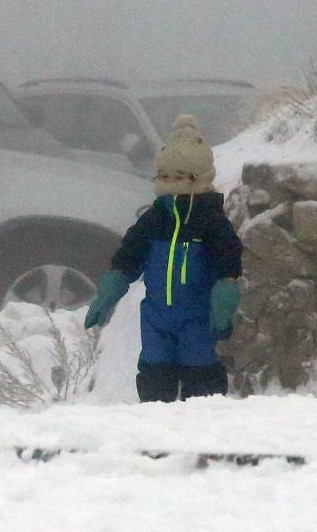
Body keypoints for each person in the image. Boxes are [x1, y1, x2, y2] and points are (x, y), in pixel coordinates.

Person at [83, 115, 244, 402]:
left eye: (179, 178)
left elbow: (227, 260)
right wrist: (110, 291)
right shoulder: (154, 219)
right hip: (156, 319)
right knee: (154, 381)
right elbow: (129, 256)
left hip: (196, 318)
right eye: (165, 177)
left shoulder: (210, 221)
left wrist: (224, 295)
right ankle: (154, 433)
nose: (170, 184)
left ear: (198, 178)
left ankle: (201, 434)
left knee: (201, 384)